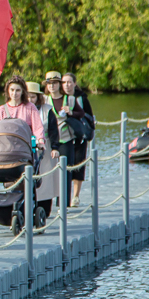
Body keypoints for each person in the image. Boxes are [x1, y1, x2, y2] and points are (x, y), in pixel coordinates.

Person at [45, 71, 84, 205]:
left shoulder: (70, 99)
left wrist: (70, 112)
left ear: (59, 85)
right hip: (50, 141)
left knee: (66, 172)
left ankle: (64, 203)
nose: (52, 86)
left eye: (55, 83)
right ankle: (48, 202)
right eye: (49, 84)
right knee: (48, 172)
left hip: (65, 139)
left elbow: (81, 113)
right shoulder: (44, 100)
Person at [27, 82, 61, 216]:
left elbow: (53, 131)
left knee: (46, 181)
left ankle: (44, 211)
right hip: (26, 148)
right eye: (28, 97)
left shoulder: (47, 110)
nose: (30, 100)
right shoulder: (21, 109)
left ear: (38, 97)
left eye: (33, 97)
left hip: (44, 149)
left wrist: (55, 148)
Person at [63, 72, 92, 207]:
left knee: (79, 165)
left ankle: (75, 196)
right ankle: (64, 195)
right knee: (65, 166)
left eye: (69, 82)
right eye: (64, 82)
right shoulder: (59, 98)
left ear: (75, 83)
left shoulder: (81, 98)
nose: (67, 85)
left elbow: (89, 116)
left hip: (79, 136)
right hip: (64, 137)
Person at [0, 76, 46, 149]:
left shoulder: (30, 107)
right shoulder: (2, 109)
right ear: (7, 90)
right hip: (7, 148)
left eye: (18, 90)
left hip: (24, 146)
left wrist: (40, 141)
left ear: (23, 91)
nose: (14, 93)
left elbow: (38, 127)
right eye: (12, 90)